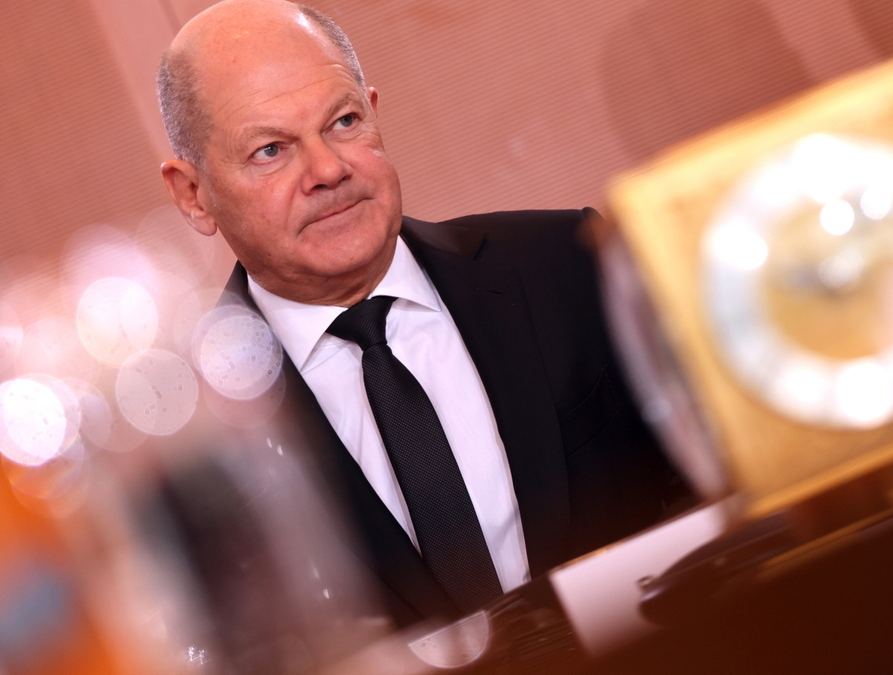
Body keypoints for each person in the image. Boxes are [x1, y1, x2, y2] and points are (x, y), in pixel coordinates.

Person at [156, 0, 689, 631]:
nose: (328, 169)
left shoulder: (571, 264)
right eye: (270, 150)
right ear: (194, 195)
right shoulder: (194, 439)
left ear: (374, 113)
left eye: (344, 121)